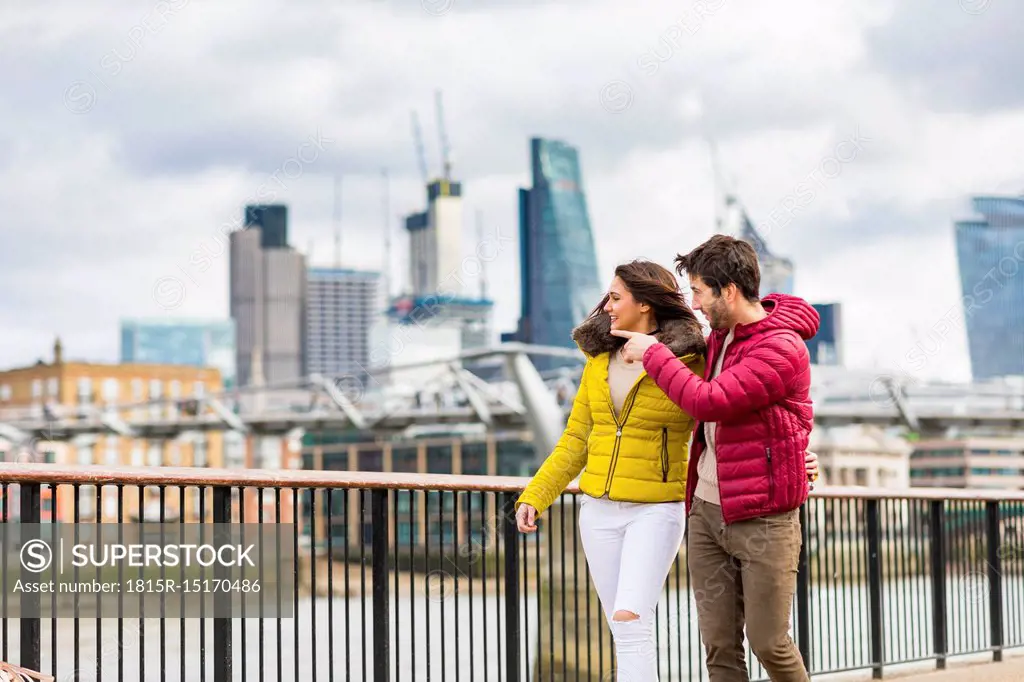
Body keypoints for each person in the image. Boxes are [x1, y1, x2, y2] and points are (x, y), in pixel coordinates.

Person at [515, 259, 818, 681]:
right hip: (597, 510)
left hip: (656, 507)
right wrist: (536, 494)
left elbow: (724, 411)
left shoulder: (693, 359)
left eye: (616, 298)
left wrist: (798, 456)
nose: (606, 307)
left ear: (645, 304)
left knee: (630, 617)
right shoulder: (598, 362)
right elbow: (576, 439)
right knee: (626, 628)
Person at [613, 235, 820, 681]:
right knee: (719, 647)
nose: (695, 302)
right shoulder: (721, 337)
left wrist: (652, 353)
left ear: (727, 291)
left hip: (764, 517)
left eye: (699, 291)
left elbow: (709, 402)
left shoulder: (780, 348)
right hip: (707, 513)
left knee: (770, 642)